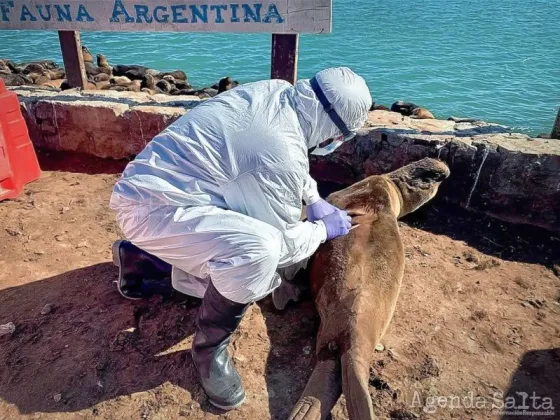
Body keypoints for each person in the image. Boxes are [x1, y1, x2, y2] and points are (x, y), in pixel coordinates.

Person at [109, 67, 372, 410]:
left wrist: (314, 198)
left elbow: (284, 160)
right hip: (153, 211)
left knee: (244, 237)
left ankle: (140, 259)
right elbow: (284, 242)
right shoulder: (279, 149)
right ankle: (208, 348)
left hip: (159, 187)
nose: (335, 144)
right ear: (331, 128)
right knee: (257, 253)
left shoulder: (278, 93)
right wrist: (323, 229)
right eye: (341, 136)